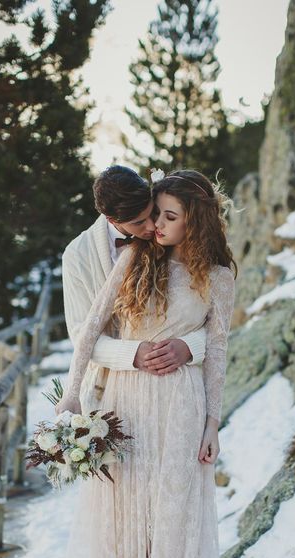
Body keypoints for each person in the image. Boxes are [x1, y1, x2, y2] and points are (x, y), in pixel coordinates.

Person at [56, 169, 237, 558]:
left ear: (193, 220)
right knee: (124, 513)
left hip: (181, 404)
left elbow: (217, 348)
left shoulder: (219, 275)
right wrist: (71, 395)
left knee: (175, 515)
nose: (154, 225)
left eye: (165, 216)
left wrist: (211, 424)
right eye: (150, 216)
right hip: (127, 402)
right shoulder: (134, 257)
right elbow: (88, 330)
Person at [61, 165, 207, 416]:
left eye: (153, 213)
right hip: (108, 396)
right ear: (112, 220)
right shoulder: (77, 256)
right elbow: (80, 332)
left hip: (176, 391)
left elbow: (210, 316)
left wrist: (190, 346)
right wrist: (132, 354)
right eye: (139, 222)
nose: (152, 227)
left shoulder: (170, 235)